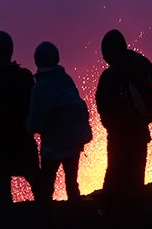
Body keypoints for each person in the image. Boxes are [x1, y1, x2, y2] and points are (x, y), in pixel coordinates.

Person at [96, 29, 152, 216]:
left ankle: (109, 210)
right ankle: (135, 209)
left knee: (115, 169)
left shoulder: (110, 76)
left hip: (119, 133)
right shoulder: (138, 65)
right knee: (137, 170)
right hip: (139, 130)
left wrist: (110, 125)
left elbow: (103, 104)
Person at [0, 31, 41, 215]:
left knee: (2, 185)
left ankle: (5, 222)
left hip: (0, 138)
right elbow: (32, 104)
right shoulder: (25, 76)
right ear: (12, 49)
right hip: (22, 135)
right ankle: (44, 218)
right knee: (36, 181)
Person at [27, 41, 92, 204]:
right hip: (74, 141)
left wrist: (25, 127)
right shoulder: (66, 79)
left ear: (37, 61)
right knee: (72, 183)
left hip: (53, 146)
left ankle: (46, 219)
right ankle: (76, 218)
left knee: (47, 186)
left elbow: (35, 123)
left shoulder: (40, 87)